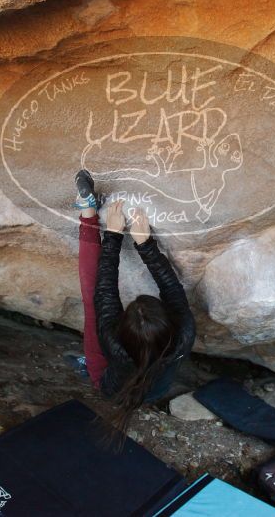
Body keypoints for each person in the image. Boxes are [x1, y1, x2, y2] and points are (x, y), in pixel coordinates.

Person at [73, 169, 196, 433]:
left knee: (92, 302)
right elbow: (172, 289)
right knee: (93, 303)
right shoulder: (183, 335)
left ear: (121, 331)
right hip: (154, 389)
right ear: (168, 325)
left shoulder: (114, 345)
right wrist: (146, 244)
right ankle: (88, 212)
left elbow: (103, 288)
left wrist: (114, 234)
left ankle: (88, 213)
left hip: (109, 384)